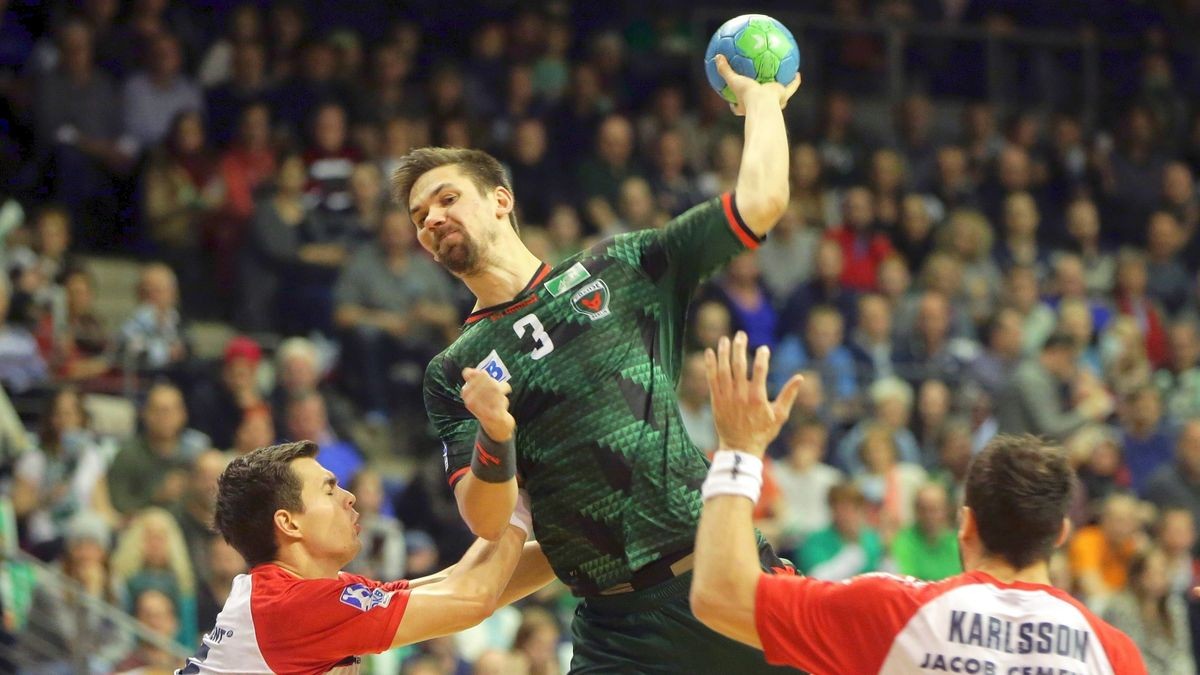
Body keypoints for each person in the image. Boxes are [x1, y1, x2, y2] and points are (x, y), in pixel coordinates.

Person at [402, 54, 801, 672]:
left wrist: (765, 105)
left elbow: (762, 201)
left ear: (501, 199)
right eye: (419, 217)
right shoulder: (455, 371)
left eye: (446, 198)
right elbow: (485, 521)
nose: (432, 219)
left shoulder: (621, 267)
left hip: (722, 579)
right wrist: (497, 433)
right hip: (616, 630)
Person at [690, 331, 1147, 674]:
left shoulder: (893, 612)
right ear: (1061, 533)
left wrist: (738, 450)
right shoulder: (1114, 654)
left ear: (965, 525)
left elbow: (720, 593)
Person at [178, 438, 554, 674]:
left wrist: (571, 549)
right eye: (330, 491)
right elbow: (472, 599)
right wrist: (516, 492)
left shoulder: (303, 593)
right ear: (289, 523)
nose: (350, 497)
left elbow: (455, 586)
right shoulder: (292, 608)